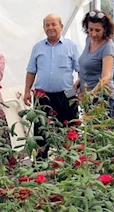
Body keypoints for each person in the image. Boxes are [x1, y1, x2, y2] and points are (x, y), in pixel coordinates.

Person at [23, 14, 80, 157]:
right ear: (43, 28)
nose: (50, 27)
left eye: (54, 24)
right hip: (42, 97)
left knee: (69, 132)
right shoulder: (38, 47)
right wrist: (26, 91)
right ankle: (40, 165)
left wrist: (79, 88)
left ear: (61, 26)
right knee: (41, 133)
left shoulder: (71, 46)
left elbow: (81, 71)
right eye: (47, 25)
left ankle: (68, 164)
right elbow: (31, 71)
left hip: (67, 95)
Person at [77, 10, 114, 101]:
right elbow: (89, 66)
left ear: (105, 29)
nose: (93, 34)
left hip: (101, 98)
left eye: (97, 30)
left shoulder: (108, 47)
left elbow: (106, 77)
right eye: (90, 29)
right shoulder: (88, 40)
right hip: (86, 95)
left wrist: (91, 94)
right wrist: (79, 81)